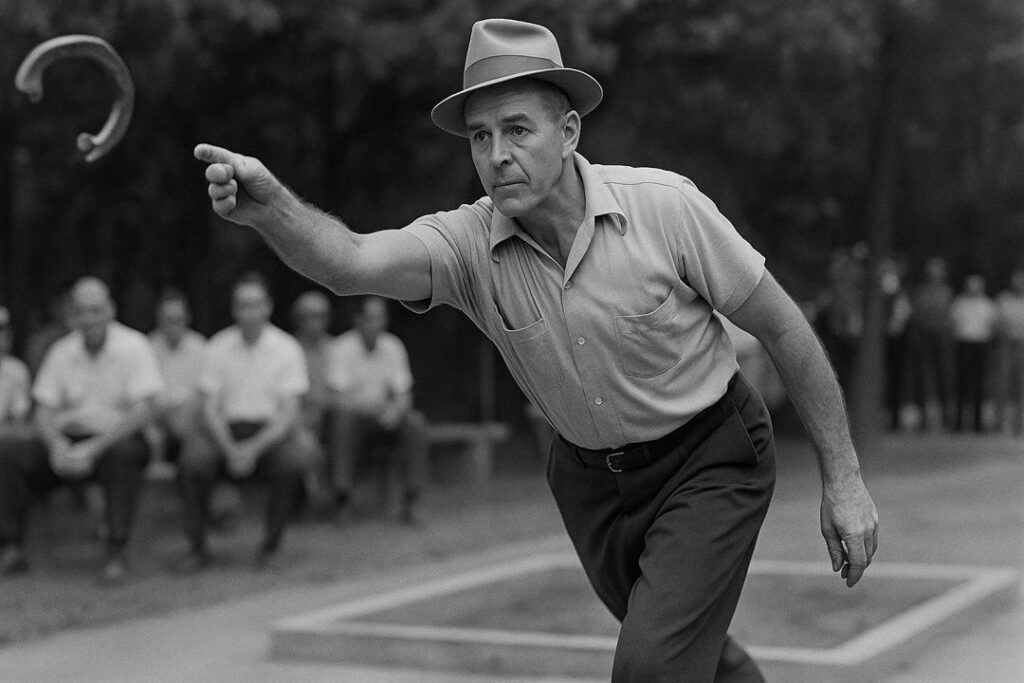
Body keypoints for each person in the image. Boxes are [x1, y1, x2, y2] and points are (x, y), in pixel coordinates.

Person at [194, 18, 878, 681]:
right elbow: (350, 262)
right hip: (590, 484)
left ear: (568, 130)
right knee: (689, 651)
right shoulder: (465, 244)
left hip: (710, 457)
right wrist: (273, 208)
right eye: (480, 136)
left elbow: (785, 328)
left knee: (652, 667)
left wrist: (843, 477)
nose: (497, 155)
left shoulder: (665, 209)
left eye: (517, 129)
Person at [0, 277, 163, 583]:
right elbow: (43, 410)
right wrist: (57, 445)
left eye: (96, 310)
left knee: (124, 455)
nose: (89, 319)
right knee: (8, 453)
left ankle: (116, 551)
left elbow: (144, 410)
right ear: (71, 314)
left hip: (116, 437)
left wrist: (95, 447)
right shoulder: (61, 351)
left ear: (110, 310)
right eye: (82, 311)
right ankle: (9, 547)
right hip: (68, 438)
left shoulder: (134, 346)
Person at [177, 272, 315, 572]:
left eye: (255, 304)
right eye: (243, 305)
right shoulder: (217, 346)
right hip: (222, 434)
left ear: (268, 306)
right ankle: (196, 548)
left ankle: (271, 547)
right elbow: (209, 409)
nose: (249, 312)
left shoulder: (286, 348)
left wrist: (253, 449)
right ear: (234, 309)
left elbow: (288, 413)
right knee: (193, 461)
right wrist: (229, 448)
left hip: (268, 436)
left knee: (294, 461)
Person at [326, 295, 428, 525]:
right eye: (371, 318)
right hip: (356, 422)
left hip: (386, 420)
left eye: (381, 318)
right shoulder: (341, 348)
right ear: (358, 320)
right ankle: (343, 497)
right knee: (342, 419)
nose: (377, 324)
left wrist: (395, 411)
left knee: (415, 422)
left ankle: (412, 499)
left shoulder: (393, 346)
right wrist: (374, 410)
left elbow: (404, 394)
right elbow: (338, 399)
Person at [148, 288, 206, 467]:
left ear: (187, 318)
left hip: (190, 420)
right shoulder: (146, 347)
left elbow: (204, 393)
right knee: (151, 435)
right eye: (168, 319)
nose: (173, 324)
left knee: (195, 436)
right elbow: (144, 393)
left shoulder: (201, 347)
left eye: (178, 319)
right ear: (159, 319)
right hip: (156, 419)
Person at [907, 256, 955, 430]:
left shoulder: (947, 292)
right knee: (922, 377)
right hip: (924, 337)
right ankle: (924, 418)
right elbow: (916, 315)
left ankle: (947, 418)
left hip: (941, 338)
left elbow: (949, 316)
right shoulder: (921, 292)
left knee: (944, 377)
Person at [949, 274, 997, 433]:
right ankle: (959, 423)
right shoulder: (959, 303)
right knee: (961, 384)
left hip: (980, 345)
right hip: (963, 344)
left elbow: (992, 326)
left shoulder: (987, 305)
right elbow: (953, 323)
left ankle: (977, 423)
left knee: (979, 385)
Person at [994, 269, 1024, 434]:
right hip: (1005, 346)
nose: (1019, 283)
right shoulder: (1003, 299)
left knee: (1021, 387)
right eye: (1016, 280)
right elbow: (996, 323)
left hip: (1022, 346)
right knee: (1002, 385)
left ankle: (1018, 424)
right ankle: (999, 423)